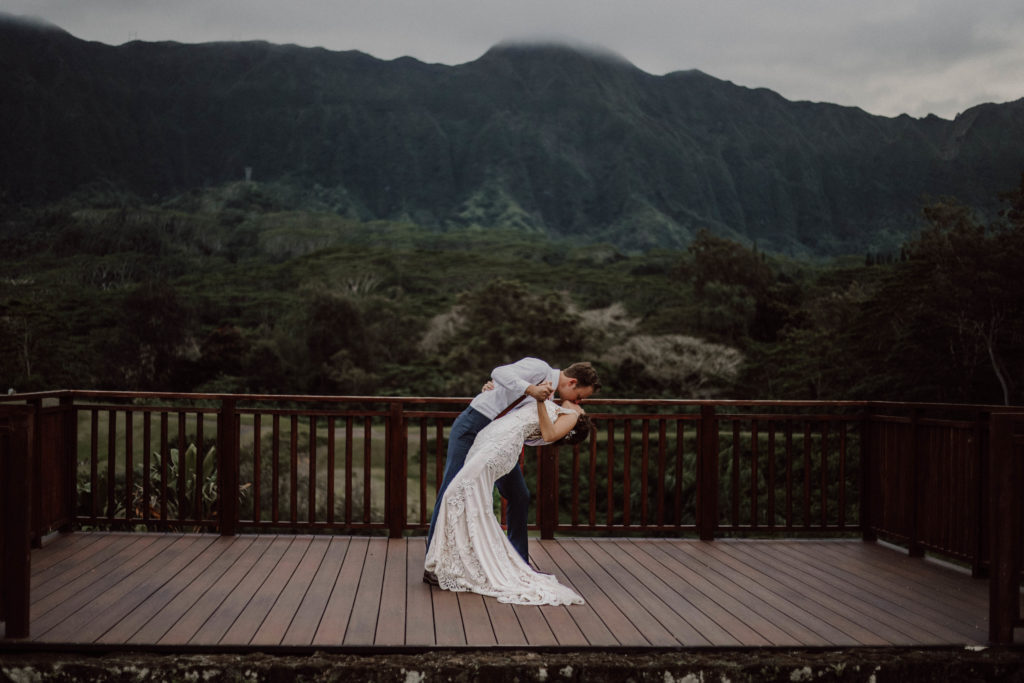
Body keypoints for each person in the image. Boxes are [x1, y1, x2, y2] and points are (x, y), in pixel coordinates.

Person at [424, 358, 600, 579]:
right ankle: (434, 564)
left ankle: (518, 563)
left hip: (498, 444)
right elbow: (499, 372)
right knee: (451, 489)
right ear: (572, 382)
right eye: (580, 396)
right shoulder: (540, 370)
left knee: (519, 495)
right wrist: (530, 389)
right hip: (474, 427)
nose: (579, 401)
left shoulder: (550, 396)